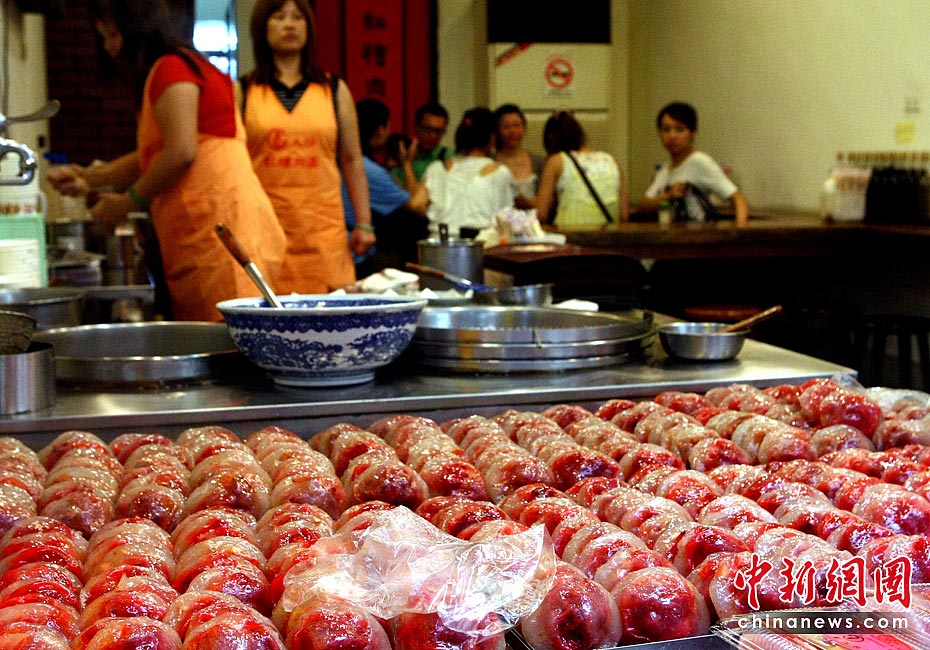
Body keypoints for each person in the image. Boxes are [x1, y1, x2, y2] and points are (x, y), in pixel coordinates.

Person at [46, 0, 286, 322]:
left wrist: (125, 202)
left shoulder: (172, 69)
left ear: (135, 30)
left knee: (225, 338)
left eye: (112, 36)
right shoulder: (183, 65)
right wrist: (91, 177)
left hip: (220, 236)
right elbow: (156, 154)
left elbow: (180, 153)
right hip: (222, 229)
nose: (109, 47)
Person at [238, 0, 374, 295]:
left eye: (298, 17)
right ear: (262, 28)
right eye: (279, 17)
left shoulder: (334, 89)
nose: (289, 25)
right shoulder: (244, 90)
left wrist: (364, 222)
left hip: (323, 231)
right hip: (264, 227)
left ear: (309, 28)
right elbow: (232, 164)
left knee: (329, 315)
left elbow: (351, 159)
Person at [345, 98, 428, 277]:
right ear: (380, 130)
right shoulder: (368, 170)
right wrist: (408, 164)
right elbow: (416, 207)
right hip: (358, 253)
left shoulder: (342, 159)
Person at [409, 107, 515, 238]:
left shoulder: (438, 167)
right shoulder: (499, 172)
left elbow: (416, 204)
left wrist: (437, 214)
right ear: (492, 138)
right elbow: (505, 219)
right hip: (479, 243)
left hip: (439, 240)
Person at [639, 102, 749, 226]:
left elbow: (738, 199)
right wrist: (668, 196)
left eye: (679, 129)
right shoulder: (666, 168)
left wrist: (739, 232)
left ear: (693, 133)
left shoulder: (699, 161)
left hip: (698, 233)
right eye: (666, 130)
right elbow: (643, 206)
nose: (672, 136)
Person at [536, 110, 628, 228]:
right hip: (608, 234)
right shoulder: (611, 161)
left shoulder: (556, 161)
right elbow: (624, 215)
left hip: (569, 233)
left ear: (551, 139)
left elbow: (542, 214)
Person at [493, 103, 543, 209]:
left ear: (524, 128)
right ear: (497, 130)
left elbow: (545, 202)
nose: (512, 131)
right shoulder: (490, 161)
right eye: (506, 127)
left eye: (517, 125)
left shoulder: (538, 162)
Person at [392, 101, 451, 190]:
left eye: (438, 131)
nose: (432, 136)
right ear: (416, 127)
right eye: (427, 129)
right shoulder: (403, 155)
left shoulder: (448, 157)